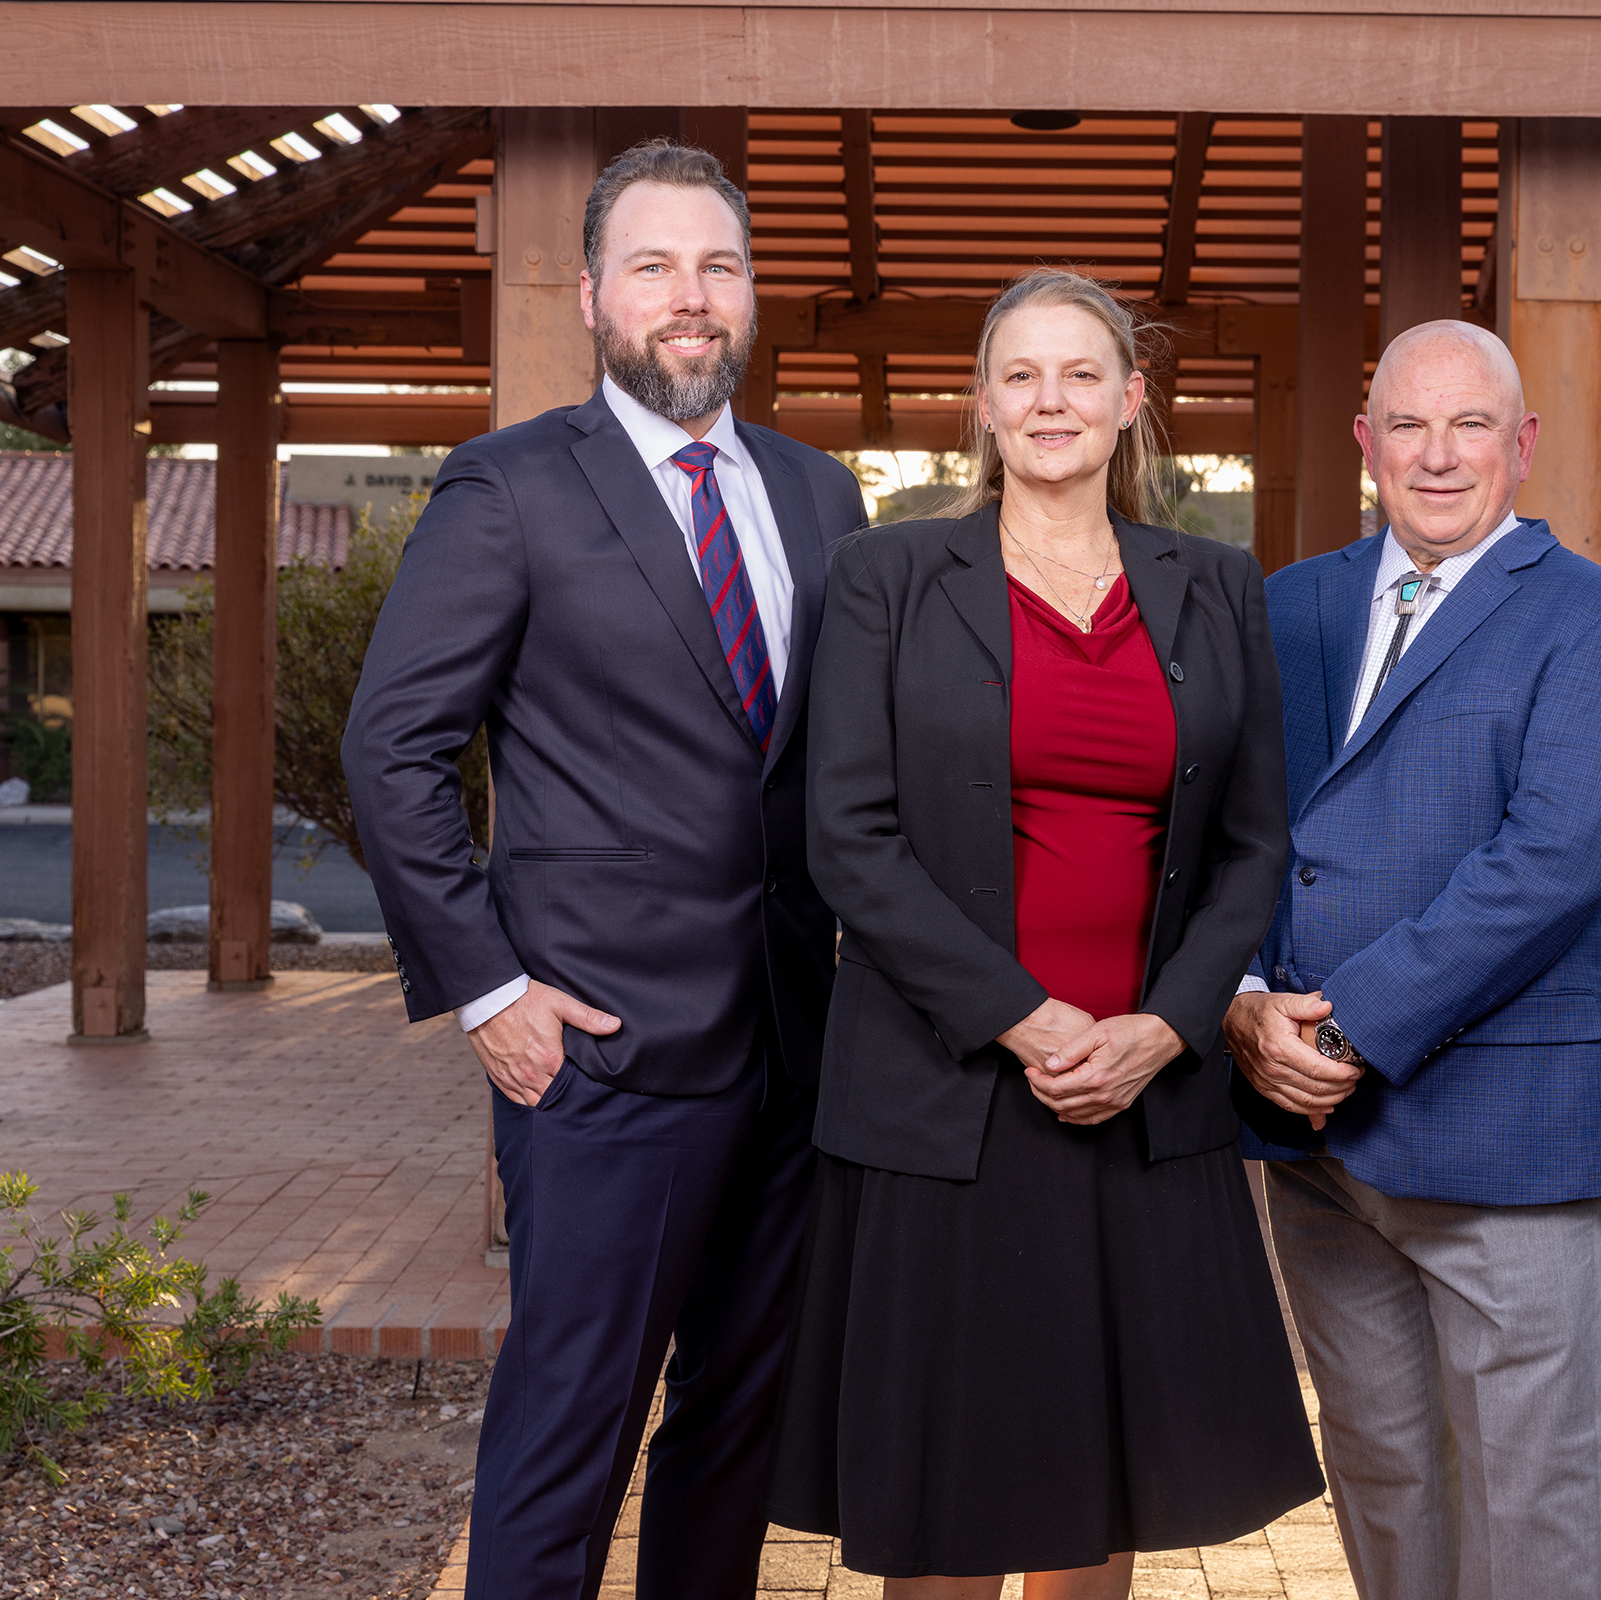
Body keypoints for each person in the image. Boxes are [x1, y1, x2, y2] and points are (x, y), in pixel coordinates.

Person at [341, 140, 867, 1600]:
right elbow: (391, 749)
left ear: (752, 295)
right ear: (591, 294)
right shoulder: (508, 489)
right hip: (600, 1062)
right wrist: (486, 989)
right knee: (567, 1442)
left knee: (734, 1433)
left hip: (793, 1048)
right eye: (654, 267)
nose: (689, 299)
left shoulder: (822, 499)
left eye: (718, 267)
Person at [766, 268, 1322, 1593]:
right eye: (1021, 374)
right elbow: (845, 836)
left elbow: (1252, 845)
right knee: (942, 1499)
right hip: (943, 1100)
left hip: (1139, 1102)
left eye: (1082, 373)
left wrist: (1161, 1029)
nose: (1051, 399)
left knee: (1100, 1492)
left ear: (1133, 400)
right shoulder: (882, 575)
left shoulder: (1216, 583)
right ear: (981, 403)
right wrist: (1028, 1020)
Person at [1225, 320, 1601, 1600]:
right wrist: (1248, 1002)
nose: (1436, 455)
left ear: (1521, 445)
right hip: (1318, 1152)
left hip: (1507, 1144)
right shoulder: (1290, 606)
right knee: (1384, 1481)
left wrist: (1345, 1027)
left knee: (1526, 1508)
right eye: (1406, 425)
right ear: (1364, 443)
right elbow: (1238, 828)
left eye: (1469, 424)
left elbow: (1554, 867)